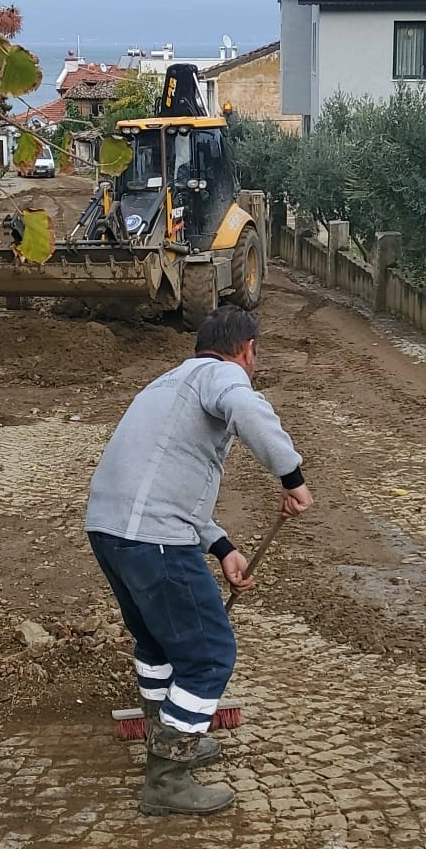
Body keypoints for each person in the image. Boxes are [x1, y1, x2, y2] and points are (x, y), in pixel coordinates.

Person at [84, 306, 314, 816]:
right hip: (154, 538)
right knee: (209, 655)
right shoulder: (225, 376)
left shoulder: (167, 384)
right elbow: (249, 410)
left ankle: (165, 737)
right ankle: (166, 780)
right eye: (255, 356)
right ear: (248, 349)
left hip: (109, 530)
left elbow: (164, 480)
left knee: (156, 641)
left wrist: (223, 547)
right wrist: (291, 477)